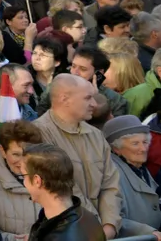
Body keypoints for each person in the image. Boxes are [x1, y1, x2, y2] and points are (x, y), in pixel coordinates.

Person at [33, 74, 122, 236]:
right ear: (64, 99)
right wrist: (94, 227)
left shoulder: (96, 135)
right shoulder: (39, 133)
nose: (94, 104)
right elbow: (64, 189)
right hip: (66, 230)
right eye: (88, 98)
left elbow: (111, 185)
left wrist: (109, 226)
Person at [21, 144, 106, 241]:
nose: (24, 182)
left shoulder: (60, 236)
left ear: (37, 181)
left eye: (24, 176)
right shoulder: (88, 218)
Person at [101, 115, 161, 236]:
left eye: (145, 142)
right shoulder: (112, 172)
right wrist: (149, 232)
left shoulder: (138, 166)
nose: (143, 148)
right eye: (135, 144)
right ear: (116, 148)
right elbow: (113, 218)